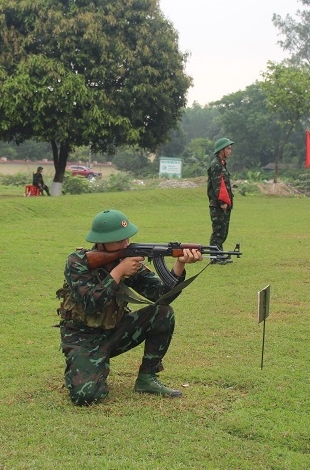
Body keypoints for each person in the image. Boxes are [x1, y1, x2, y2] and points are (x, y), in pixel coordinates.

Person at [56, 209, 203, 406]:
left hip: (116, 331)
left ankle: (147, 379)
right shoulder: (78, 262)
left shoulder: (129, 261)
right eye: (118, 240)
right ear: (101, 241)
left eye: (127, 238)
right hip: (83, 338)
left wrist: (179, 266)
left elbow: (161, 297)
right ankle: (89, 366)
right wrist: (118, 272)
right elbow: (90, 304)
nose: (125, 244)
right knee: (86, 397)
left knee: (162, 313)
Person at [207, 137, 234, 265]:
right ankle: (215, 257)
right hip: (218, 205)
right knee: (218, 231)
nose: (230, 151)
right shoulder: (216, 165)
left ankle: (219, 254)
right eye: (228, 148)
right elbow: (219, 185)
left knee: (223, 231)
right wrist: (222, 202)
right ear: (221, 150)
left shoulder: (221, 164)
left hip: (224, 204)